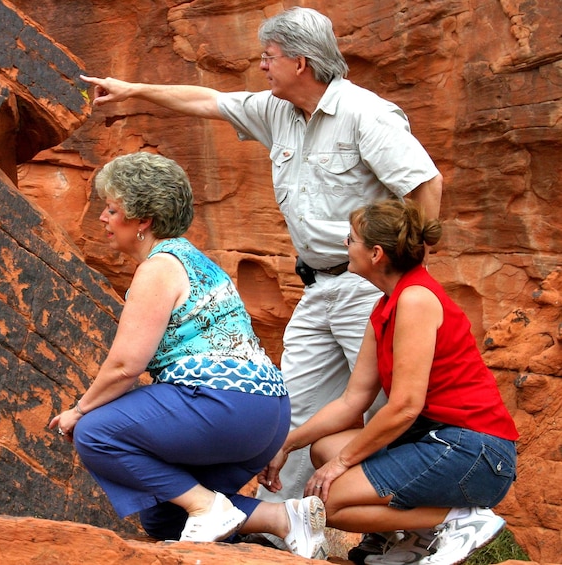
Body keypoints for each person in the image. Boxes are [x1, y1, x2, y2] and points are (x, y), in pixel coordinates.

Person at [80, 7, 443, 560]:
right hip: (318, 287)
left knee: (397, 402)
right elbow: (207, 101)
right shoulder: (279, 111)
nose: (262, 67)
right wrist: (133, 91)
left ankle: (425, 529)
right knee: (292, 409)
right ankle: (289, 530)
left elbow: (424, 184)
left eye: (268, 58)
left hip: (371, 284)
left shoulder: (364, 114)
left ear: (300, 61)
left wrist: (407, 272)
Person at [48, 152, 325, 558]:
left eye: (112, 209)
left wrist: (80, 410)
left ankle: (206, 505)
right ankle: (285, 518)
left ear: (142, 220)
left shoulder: (159, 267)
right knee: (163, 517)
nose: (104, 219)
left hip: (225, 406)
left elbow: (126, 365)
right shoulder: (194, 259)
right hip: (267, 416)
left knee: (95, 433)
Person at [258, 199, 519, 565]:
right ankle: (414, 539)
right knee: (324, 450)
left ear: (376, 253)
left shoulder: (415, 299)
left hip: (473, 451)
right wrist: (287, 444)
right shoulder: (386, 304)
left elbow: (404, 406)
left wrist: (340, 466)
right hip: (438, 441)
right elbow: (353, 401)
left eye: (351, 240)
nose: (345, 246)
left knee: (327, 502)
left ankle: (459, 519)